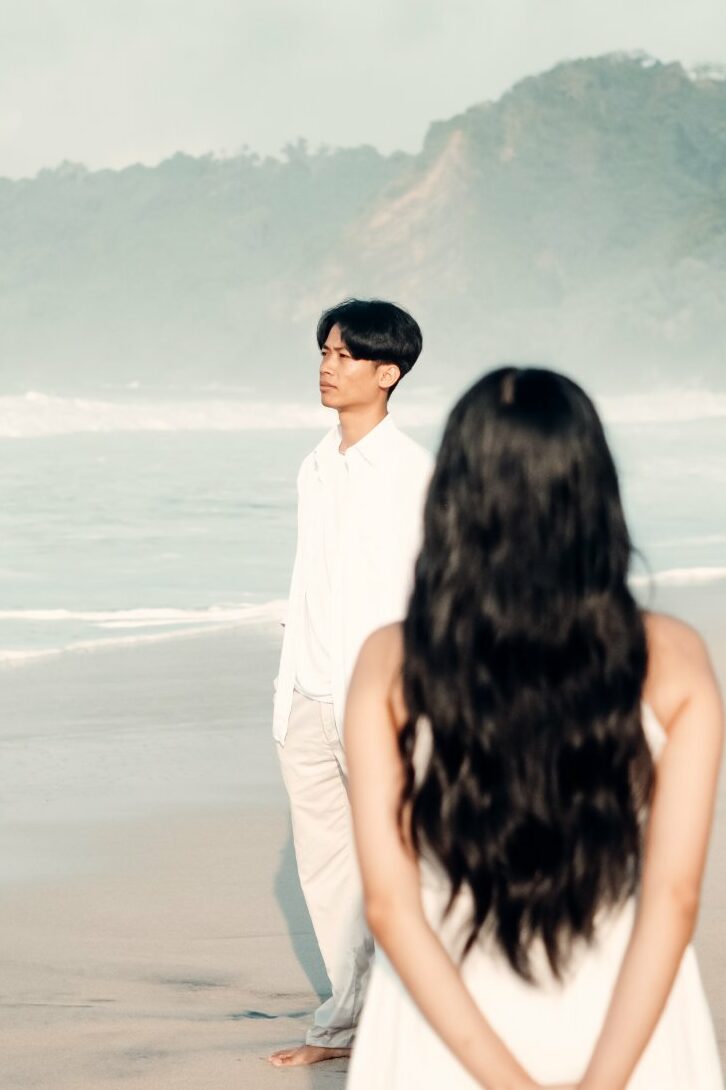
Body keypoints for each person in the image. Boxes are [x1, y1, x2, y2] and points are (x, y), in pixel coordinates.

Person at [345, 367, 724, 1089]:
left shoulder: (390, 662)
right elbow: (674, 898)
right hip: (626, 1016)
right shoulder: (673, 657)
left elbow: (390, 908)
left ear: (453, 496)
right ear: (594, 493)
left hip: (444, 1025)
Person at [268, 298, 433, 1067]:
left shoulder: (413, 473)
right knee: (327, 868)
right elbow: (313, 580)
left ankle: (425, 1020)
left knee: (402, 861)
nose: (327, 367)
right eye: (325, 352)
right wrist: (290, 687)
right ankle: (346, 1022)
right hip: (306, 693)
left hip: (380, 698)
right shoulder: (315, 464)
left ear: (387, 373)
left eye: (345, 355)